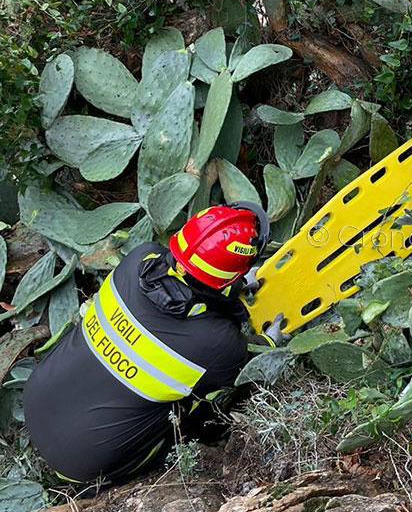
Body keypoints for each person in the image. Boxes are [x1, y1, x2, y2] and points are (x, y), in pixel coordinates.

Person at [23, 203, 277, 486]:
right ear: (228, 279)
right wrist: (269, 342)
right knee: (196, 404)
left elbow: (186, 288)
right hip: (83, 463)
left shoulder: (139, 258)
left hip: (37, 400)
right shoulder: (214, 342)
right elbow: (250, 364)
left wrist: (230, 288)